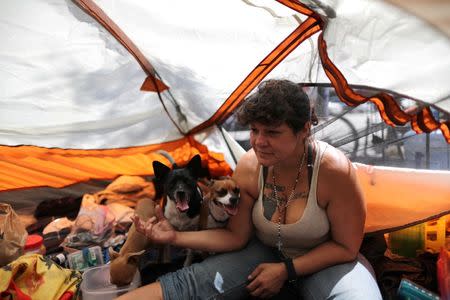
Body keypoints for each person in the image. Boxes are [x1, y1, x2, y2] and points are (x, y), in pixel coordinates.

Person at [117, 79, 382, 300]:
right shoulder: (251, 167)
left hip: (327, 261)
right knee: (191, 283)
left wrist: (286, 270)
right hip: (263, 253)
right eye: (254, 130)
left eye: (273, 132)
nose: (259, 142)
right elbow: (236, 237)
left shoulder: (334, 171)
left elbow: (346, 247)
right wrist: (174, 238)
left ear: (303, 129)